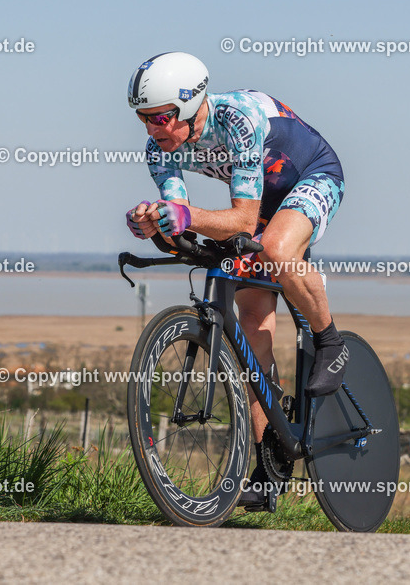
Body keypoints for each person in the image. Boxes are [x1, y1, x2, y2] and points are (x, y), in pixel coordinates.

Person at [124, 51, 348, 510]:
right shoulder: (158, 149)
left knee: (277, 249)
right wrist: (156, 225)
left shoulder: (237, 119)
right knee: (251, 330)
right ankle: (270, 467)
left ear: (190, 105)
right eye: (145, 119)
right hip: (262, 201)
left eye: (163, 117)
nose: (154, 129)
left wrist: (184, 216)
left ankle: (329, 341)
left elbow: (244, 221)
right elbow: (182, 227)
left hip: (310, 178)